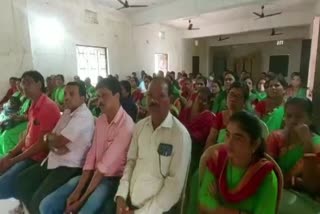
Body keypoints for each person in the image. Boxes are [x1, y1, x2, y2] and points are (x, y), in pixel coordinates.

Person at [39, 77, 134, 214]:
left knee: (84, 209)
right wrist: (78, 190)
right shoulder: (101, 120)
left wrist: (80, 200)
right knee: (46, 205)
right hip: (93, 174)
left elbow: (103, 167)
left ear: (117, 96)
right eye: (98, 96)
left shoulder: (126, 125)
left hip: (112, 180)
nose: (100, 100)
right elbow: (91, 156)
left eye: (104, 96)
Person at [14, 81, 95, 214]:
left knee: (38, 198)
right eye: (65, 94)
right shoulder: (68, 112)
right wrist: (50, 140)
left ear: (83, 98)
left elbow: (58, 140)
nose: (67, 97)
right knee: (22, 180)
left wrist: (51, 140)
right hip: (54, 158)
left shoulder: (84, 117)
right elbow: (53, 136)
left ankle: (32, 209)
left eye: (71, 94)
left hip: (70, 166)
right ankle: (26, 210)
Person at [115, 77, 191, 214]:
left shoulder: (179, 135)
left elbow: (174, 187)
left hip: (159, 210)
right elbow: (130, 163)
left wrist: (140, 213)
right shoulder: (140, 127)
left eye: (161, 96)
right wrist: (121, 196)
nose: (153, 101)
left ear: (170, 99)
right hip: (130, 203)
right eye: (150, 95)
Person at [199, 111, 281, 214]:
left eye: (238, 138)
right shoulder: (217, 160)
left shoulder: (265, 176)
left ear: (255, 144)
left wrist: (218, 207)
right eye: (228, 135)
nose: (229, 143)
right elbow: (203, 203)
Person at [0, 71, 60, 203]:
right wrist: (9, 155)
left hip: (38, 158)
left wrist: (14, 160)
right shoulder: (33, 104)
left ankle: (21, 203)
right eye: (22, 82)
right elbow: (27, 135)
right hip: (27, 154)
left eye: (28, 82)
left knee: (5, 186)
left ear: (39, 84)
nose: (24, 86)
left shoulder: (47, 107)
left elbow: (41, 144)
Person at [266, 97, 320, 212]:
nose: (293, 121)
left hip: (307, 201)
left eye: (299, 117)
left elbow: (312, 186)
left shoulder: (317, 144)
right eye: (289, 116)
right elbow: (268, 176)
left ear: (310, 119)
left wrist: (307, 145)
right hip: (277, 194)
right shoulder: (276, 138)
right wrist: (296, 182)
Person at [179, 87, 215, 175]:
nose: (200, 102)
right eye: (199, 98)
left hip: (194, 154)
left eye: (204, 100)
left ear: (208, 103)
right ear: (195, 97)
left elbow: (200, 138)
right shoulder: (186, 111)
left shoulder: (209, 118)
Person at [206, 81, 249, 148]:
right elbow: (211, 140)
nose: (233, 99)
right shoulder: (220, 117)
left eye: (238, 96)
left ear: (244, 102)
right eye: (231, 94)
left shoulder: (247, 120)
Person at [0, 81, 31, 157]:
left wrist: (18, 117)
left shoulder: (33, 100)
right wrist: (16, 116)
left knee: (6, 135)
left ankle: (9, 156)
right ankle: (3, 154)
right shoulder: (23, 98)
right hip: (19, 118)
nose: (20, 87)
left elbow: (31, 117)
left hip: (28, 122)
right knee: (3, 128)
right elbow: (20, 110)